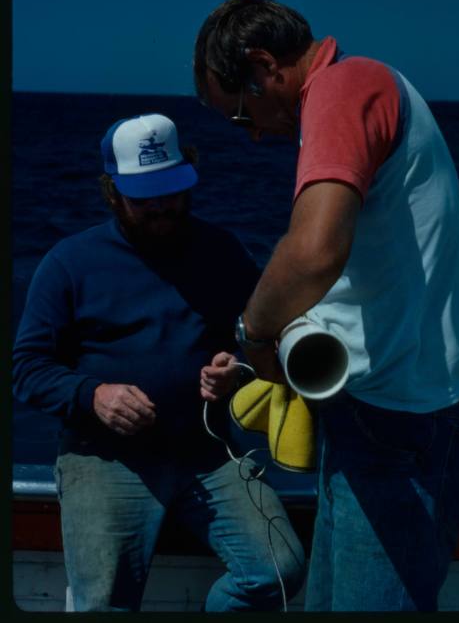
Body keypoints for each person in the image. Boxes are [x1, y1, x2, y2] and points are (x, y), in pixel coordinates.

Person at [193, 0, 459, 612]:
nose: (249, 137)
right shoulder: (358, 91)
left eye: (241, 114)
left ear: (264, 65)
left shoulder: (344, 86)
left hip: (404, 425)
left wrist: (252, 333)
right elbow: (356, 272)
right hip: (375, 414)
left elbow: (314, 253)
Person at [12, 112, 306, 612]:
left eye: (171, 191)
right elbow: (27, 368)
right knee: (104, 603)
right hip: (103, 457)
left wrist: (236, 370)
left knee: (279, 571)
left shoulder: (222, 251)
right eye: (143, 198)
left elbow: (261, 342)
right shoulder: (68, 262)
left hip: (208, 454)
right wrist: (93, 395)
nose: (162, 207)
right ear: (111, 192)